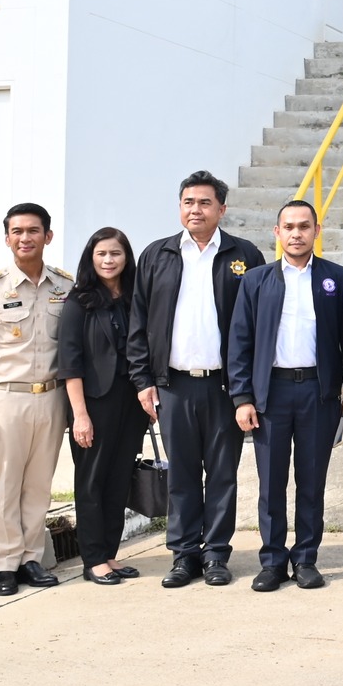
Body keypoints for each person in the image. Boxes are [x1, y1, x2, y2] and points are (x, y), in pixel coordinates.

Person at [128, 171, 266, 588]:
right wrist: (143, 380)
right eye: (188, 202)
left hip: (225, 387)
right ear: (180, 207)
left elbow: (259, 325)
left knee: (222, 474)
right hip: (173, 386)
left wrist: (248, 390)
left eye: (205, 203)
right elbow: (138, 322)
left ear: (222, 209)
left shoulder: (245, 255)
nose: (196, 210)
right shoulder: (158, 255)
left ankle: (216, 554)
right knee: (183, 476)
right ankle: (184, 555)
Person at [228, 200, 343, 593]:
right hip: (271, 393)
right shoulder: (256, 281)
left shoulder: (337, 279)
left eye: (304, 226)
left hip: (319, 392)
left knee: (312, 481)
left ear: (317, 231)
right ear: (277, 232)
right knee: (271, 482)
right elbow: (240, 342)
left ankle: (306, 559)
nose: (296, 233)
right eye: (289, 227)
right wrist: (242, 397)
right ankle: (272, 561)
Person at [0, 204, 74, 596]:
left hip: (52, 396)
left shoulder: (65, 286)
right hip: (7, 398)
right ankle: (5, 563)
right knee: (5, 483)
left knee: (39, 484)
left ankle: (31, 557)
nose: (25, 238)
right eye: (17, 231)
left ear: (48, 236)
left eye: (33, 231)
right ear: (7, 238)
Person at [58, 227, 147, 587]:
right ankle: (93, 559)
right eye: (102, 254)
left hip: (131, 403)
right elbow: (70, 363)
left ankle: (110, 553)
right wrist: (79, 415)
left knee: (119, 479)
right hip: (94, 403)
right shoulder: (78, 301)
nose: (109, 260)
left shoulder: (136, 298)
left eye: (116, 253)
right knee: (92, 481)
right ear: (91, 259)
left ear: (126, 258)